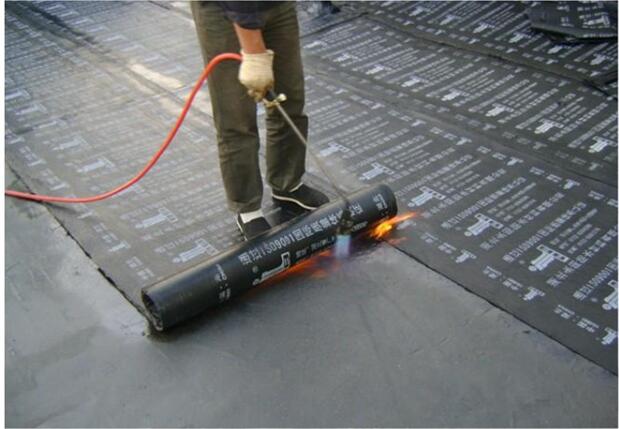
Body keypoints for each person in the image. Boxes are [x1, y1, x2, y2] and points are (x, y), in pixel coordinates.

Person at [190, 1, 329, 240]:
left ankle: (287, 183)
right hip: (223, 10)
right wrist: (254, 55)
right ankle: (248, 207)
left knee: (289, 100)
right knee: (236, 117)